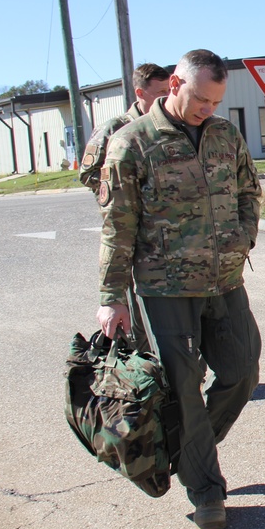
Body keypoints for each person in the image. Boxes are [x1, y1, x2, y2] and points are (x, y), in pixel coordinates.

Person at [95, 49, 262, 529]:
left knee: (243, 371)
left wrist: (243, 237)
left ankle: (187, 450)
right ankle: (206, 490)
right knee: (184, 390)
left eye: (215, 102)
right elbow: (117, 228)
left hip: (224, 280)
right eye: (200, 99)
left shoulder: (226, 136)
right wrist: (112, 297)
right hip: (164, 289)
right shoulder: (132, 144)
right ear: (174, 84)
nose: (207, 109)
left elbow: (249, 192)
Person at [79, 63, 171, 353]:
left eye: (170, 91)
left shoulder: (169, 126)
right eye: (160, 93)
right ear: (140, 93)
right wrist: (122, 196)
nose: (167, 98)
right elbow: (88, 172)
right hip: (130, 227)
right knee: (134, 308)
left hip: (165, 232)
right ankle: (142, 363)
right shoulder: (115, 128)